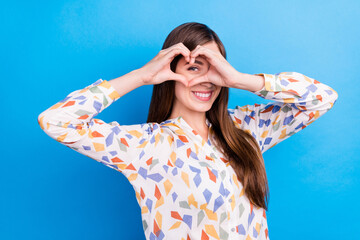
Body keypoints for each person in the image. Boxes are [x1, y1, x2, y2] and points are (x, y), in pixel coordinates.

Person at [37, 22, 338, 240]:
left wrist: (239, 79)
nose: (207, 80)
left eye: (214, 68)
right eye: (195, 68)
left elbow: (322, 98)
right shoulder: (144, 146)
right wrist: (141, 76)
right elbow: (56, 121)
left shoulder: (246, 129)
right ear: (170, 72)